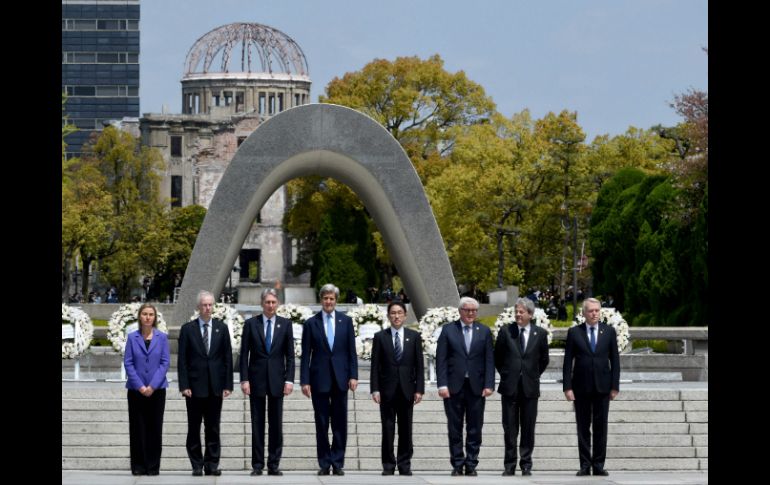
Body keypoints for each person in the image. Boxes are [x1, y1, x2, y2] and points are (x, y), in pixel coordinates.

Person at [300, 284, 358, 476]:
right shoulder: (311, 323)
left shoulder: (346, 321)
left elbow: (351, 352)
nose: (328, 302)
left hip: (341, 379)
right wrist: (304, 381)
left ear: (336, 300)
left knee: (340, 423)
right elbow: (305, 355)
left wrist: (353, 375)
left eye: (332, 298)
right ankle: (325, 462)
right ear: (321, 299)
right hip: (319, 379)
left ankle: (338, 461)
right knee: (322, 423)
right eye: (325, 298)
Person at [436, 297, 495, 476]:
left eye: (474, 311)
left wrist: (489, 384)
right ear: (460, 311)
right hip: (453, 387)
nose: (471, 313)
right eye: (467, 310)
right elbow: (441, 360)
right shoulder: (448, 330)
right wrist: (442, 384)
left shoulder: (484, 331)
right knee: (454, 427)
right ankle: (457, 463)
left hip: (476, 387)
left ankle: (471, 463)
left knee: (475, 426)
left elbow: (489, 360)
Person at [239, 288, 295, 476]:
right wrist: (244, 379)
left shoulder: (285, 324)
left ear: (277, 304)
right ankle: (257, 465)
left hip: (278, 382)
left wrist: (289, 380)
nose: (270, 305)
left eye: (273, 302)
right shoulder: (251, 324)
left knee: (276, 425)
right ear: (262, 304)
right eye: (267, 302)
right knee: (257, 424)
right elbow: (243, 354)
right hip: (256, 381)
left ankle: (273, 464)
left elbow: (290, 356)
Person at [178, 290, 234, 476]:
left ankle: (212, 464)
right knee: (194, 427)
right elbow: (182, 361)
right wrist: (184, 385)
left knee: (213, 428)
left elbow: (227, 358)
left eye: (210, 305)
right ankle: (196, 464)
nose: (207, 308)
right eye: (204, 305)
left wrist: (228, 385)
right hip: (194, 388)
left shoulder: (221, 328)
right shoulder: (188, 329)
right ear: (198, 307)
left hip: (215, 387)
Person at [563, 297, 620, 476]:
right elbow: (567, 362)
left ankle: (599, 465)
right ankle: (585, 464)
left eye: (597, 310)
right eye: (591, 311)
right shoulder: (574, 333)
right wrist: (567, 387)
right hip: (581, 387)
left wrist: (614, 386)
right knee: (583, 426)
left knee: (601, 426)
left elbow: (615, 361)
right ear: (584, 313)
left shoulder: (609, 332)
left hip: (603, 387)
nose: (594, 314)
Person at [494, 297, 550, 476]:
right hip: (510, 388)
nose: (518, 315)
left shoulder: (540, 334)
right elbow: (498, 357)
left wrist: (531, 375)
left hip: (530, 388)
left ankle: (526, 464)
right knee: (510, 428)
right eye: (516, 311)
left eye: (521, 312)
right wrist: (508, 375)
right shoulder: (505, 332)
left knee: (528, 428)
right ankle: (509, 465)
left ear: (530, 314)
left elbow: (543, 360)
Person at [370, 301, 425, 476]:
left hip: (407, 390)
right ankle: (388, 464)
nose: (396, 316)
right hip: (386, 391)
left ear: (405, 315)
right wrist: (375, 389)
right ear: (388, 316)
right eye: (393, 313)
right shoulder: (380, 337)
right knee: (387, 429)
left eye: (399, 313)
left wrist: (419, 389)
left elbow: (419, 365)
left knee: (405, 429)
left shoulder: (414, 336)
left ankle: (404, 464)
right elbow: (375, 366)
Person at [124, 303, 170, 476]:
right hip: (136, 390)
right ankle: (138, 465)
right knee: (137, 428)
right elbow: (128, 362)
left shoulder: (162, 338)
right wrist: (141, 386)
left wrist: (152, 386)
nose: (148, 317)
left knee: (154, 428)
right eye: (145, 314)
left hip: (157, 390)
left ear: (155, 317)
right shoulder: (132, 337)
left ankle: (152, 466)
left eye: (151, 314)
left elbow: (165, 362)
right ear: (140, 316)